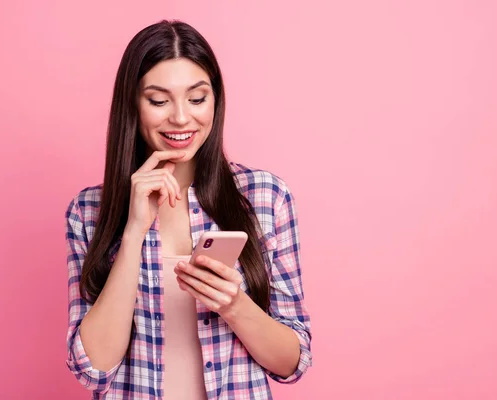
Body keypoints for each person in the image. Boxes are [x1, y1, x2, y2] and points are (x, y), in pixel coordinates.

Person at [64, 20, 312, 399]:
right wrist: (133, 232)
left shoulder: (265, 198)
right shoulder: (88, 212)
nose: (181, 117)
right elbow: (93, 367)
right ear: (132, 104)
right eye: (159, 101)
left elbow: (292, 362)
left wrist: (234, 305)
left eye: (197, 98)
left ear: (216, 99)